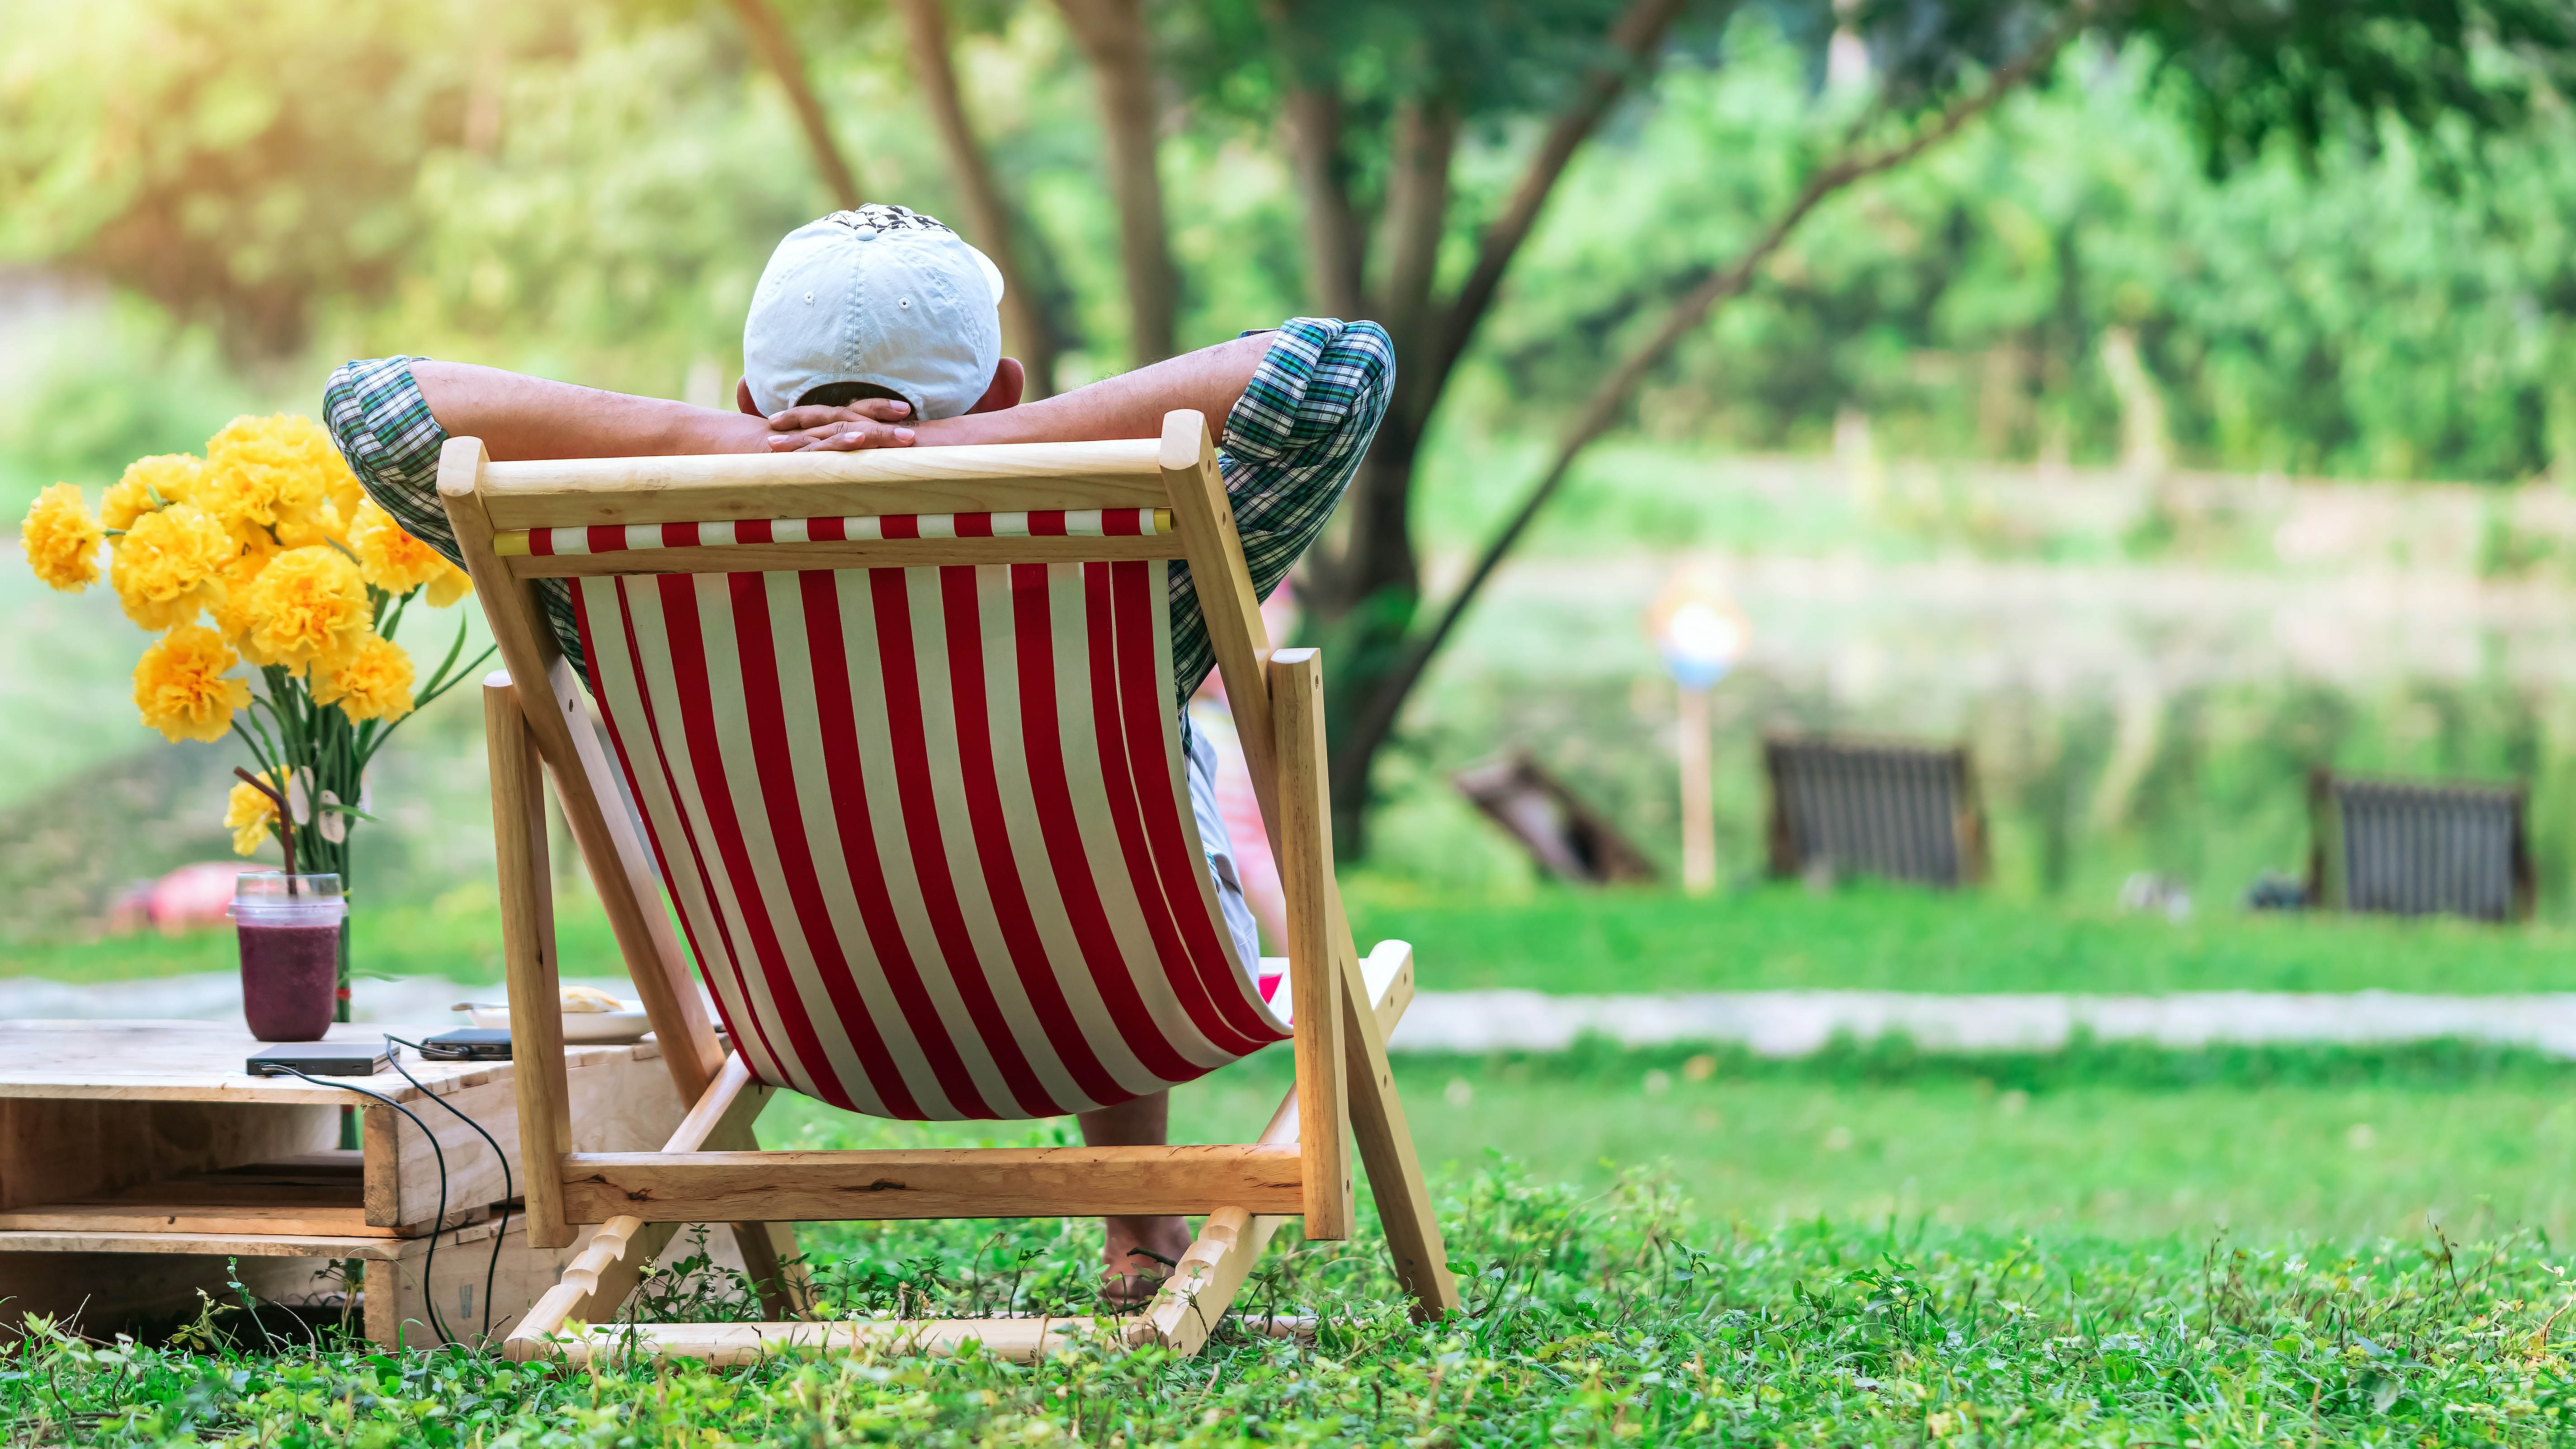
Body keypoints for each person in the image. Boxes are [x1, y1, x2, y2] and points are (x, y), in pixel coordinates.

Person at [321, 204, 1392, 1303]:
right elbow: (1340, 365)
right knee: (1141, 739)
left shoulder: (615, 574)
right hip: (1135, 1008)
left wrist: (719, 447)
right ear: (1008, 392)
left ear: (749, 402)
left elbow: (370, 405)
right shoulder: (1122, 556)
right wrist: (965, 449)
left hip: (811, 1019)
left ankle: (1142, 1220)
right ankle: (1139, 1219)